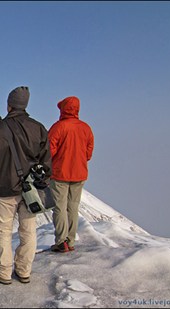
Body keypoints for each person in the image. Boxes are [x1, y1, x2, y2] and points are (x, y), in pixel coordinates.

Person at [0, 86, 51, 284]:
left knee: (3, 231)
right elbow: (47, 162)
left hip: (4, 189)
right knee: (28, 231)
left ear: (9, 105)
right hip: (30, 192)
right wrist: (40, 183)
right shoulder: (39, 128)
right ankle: (24, 271)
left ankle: (3, 272)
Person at [48, 96, 94, 253]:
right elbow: (88, 153)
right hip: (79, 173)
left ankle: (61, 241)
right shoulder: (86, 128)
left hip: (60, 173)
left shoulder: (59, 127)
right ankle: (71, 240)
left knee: (59, 207)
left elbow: (49, 151)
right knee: (73, 207)